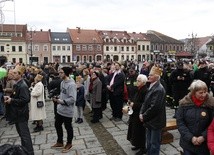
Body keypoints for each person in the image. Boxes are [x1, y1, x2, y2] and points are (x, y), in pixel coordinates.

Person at [176, 80, 214, 155]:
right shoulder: (184, 104)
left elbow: (212, 124)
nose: (203, 95)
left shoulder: (211, 104)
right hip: (188, 144)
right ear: (193, 92)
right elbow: (180, 123)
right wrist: (191, 138)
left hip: (204, 144)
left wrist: (203, 137)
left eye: (205, 92)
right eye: (200, 93)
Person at [4, 65, 34, 155]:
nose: (13, 74)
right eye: (13, 73)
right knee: (22, 135)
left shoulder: (22, 85)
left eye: (15, 73)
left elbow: (25, 99)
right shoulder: (18, 84)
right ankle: (25, 151)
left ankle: (29, 152)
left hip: (21, 114)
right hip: (18, 113)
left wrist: (11, 100)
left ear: (20, 74)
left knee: (25, 135)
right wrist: (9, 98)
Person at [139, 65, 166, 155]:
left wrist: (144, 116)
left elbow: (154, 107)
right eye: (149, 75)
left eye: (151, 75)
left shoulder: (159, 89)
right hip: (150, 120)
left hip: (155, 121)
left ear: (157, 77)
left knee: (154, 143)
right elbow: (145, 102)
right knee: (149, 142)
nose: (148, 76)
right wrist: (141, 113)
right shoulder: (151, 86)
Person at [51, 66, 77, 153]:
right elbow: (63, 94)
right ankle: (60, 141)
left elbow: (72, 99)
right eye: (59, 72)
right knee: (57, 125)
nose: (59, 74)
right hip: (60, 110)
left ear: (66, 73)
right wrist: (57, 97)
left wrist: (60, 101)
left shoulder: (72, 84)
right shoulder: (62, 82)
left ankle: (69, 143)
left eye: (61, 72)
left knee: (68, 127)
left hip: (67, 111)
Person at [125, 74, 148, 155]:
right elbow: (135, 98)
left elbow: (144, 104)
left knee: (140, 132)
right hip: (134, 113)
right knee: (134, 131)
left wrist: (133, 105)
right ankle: (137, 144)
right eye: (137, 80)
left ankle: (143, 148)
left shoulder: (145, 90)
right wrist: (130, 101)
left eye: (139, 81)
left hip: (140, 114)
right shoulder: (138, 89)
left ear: (143, 82)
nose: (136, 82)